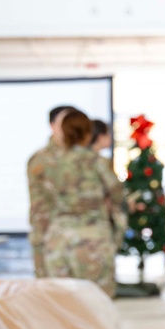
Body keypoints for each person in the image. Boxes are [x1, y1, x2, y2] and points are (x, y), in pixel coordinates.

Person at [30, 109, 127, 298]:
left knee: (60, 302)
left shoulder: (46, 163)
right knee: (97, 301)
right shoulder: (97, 162)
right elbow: (117, 194)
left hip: (58, 239)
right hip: (93, 240)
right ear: (88, 134)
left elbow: (42, 203)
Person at [26, 104, 78, 278]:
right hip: (48, 235)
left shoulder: (84, 158)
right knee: (50, 289)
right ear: (52, 125)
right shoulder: (41, 160)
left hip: (80, 240)